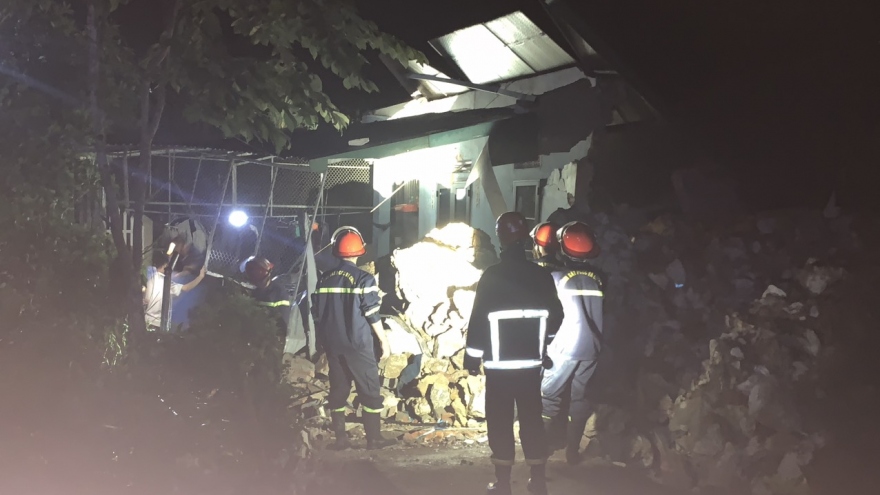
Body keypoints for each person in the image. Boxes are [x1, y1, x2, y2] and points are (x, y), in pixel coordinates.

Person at [464, 212, 563, 495]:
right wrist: (544, 343)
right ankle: (538, 481)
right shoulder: (541, 276)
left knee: (500, 421)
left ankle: (503, 483)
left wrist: (472, 357)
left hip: (499, 366)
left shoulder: (492, 276)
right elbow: (557, 315)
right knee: (532, 419)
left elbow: (478, 320)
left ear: (501, 239)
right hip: (531, 365)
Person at [311, 226, 394, 451]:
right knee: (370, 391)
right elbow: (372, 313)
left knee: (338, 391)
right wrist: (384, 342)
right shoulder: (364, 279)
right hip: (358, 345)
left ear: (336, 250)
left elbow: (317, 313)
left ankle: (341, 440)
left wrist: (321, 341)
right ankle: (374, 439)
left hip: (333, 344)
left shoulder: (324, 279)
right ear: (360, 251)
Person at [540, 221, 604, 466]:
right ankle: (572, 452)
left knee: (548, 396)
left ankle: (542, 449)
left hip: (565, 347)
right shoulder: (599, 279)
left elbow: (551, 315)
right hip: (592, 348)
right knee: (580, 399)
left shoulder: (556, 277)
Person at [143, 250, 206, 331]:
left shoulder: (149, 276)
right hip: (159, 323)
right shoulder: (166, 282)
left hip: (146, 320)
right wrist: (200, 277)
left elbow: (146, 299)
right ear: (165, 265)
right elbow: (186, 288)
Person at [245, 257, 291, 339]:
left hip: (269, 338)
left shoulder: (279, 293)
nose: (255, 275)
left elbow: (282, 325)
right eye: (252, 272)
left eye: (258, 272)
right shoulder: (253, 292)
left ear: (266, 273)